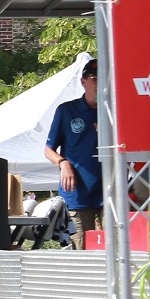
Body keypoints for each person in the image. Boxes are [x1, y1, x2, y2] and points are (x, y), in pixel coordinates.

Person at [43, 59, 102, 242]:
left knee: (114, 247)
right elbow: (48, 149)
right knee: (81, 249)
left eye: (105, 78)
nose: (100, 83)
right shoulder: (67, 110)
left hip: (109, 192)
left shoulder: (115, 111)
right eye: (95, 78)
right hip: (77, 193)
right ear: (83, 82)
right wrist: (63, 163)